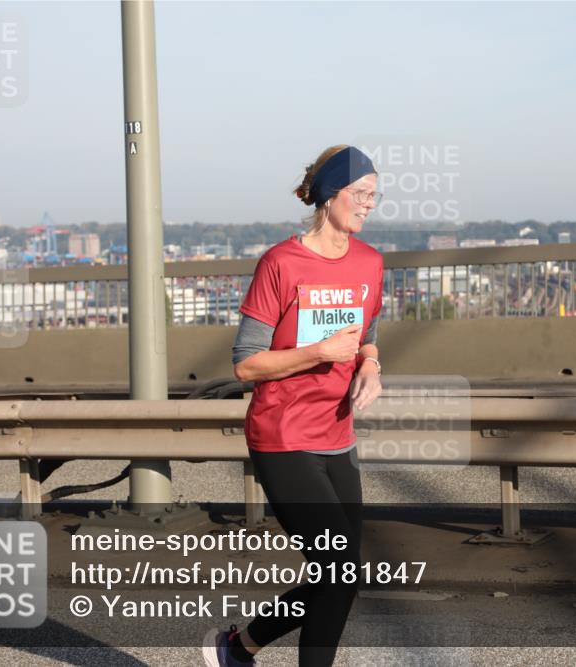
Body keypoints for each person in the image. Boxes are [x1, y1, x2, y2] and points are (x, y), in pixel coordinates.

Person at [203, 145, 384, 667]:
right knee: (337, 566)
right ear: (330, 195)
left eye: (376, 196)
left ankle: (239, 648)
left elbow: (368, 335)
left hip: (337, 436)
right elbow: (246, 365)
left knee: (343, 575)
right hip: (282, 437)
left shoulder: (370, 263)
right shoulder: (281, 264)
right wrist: (319, 353)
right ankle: (237, 649)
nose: (369, 204)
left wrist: (371, 365)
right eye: (361, 193)